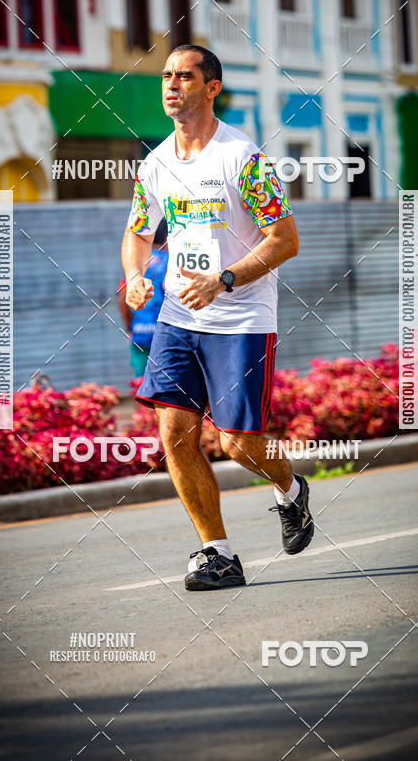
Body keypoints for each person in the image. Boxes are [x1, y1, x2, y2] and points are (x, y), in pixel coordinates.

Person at [121, 45, 314, 591]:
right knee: (176, 434)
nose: (171, 85)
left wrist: (225, 279)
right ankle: (218, 552)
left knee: (236, 443)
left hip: (241, 319)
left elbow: (285, 240)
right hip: (179, 318)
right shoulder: (156, 162)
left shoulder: (243, 158)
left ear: (212, 88)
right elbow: (137, 233)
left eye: (185, 76)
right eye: (166, 76)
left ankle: (291, 489)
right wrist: (135, 276)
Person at [118, 219, 168, 377]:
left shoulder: (135, 264)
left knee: (140, 387)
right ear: (168, 237)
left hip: (139, 333)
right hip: (165, 335)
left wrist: (129, 327)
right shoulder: (171, 262)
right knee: (168, 389)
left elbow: (122, 298)